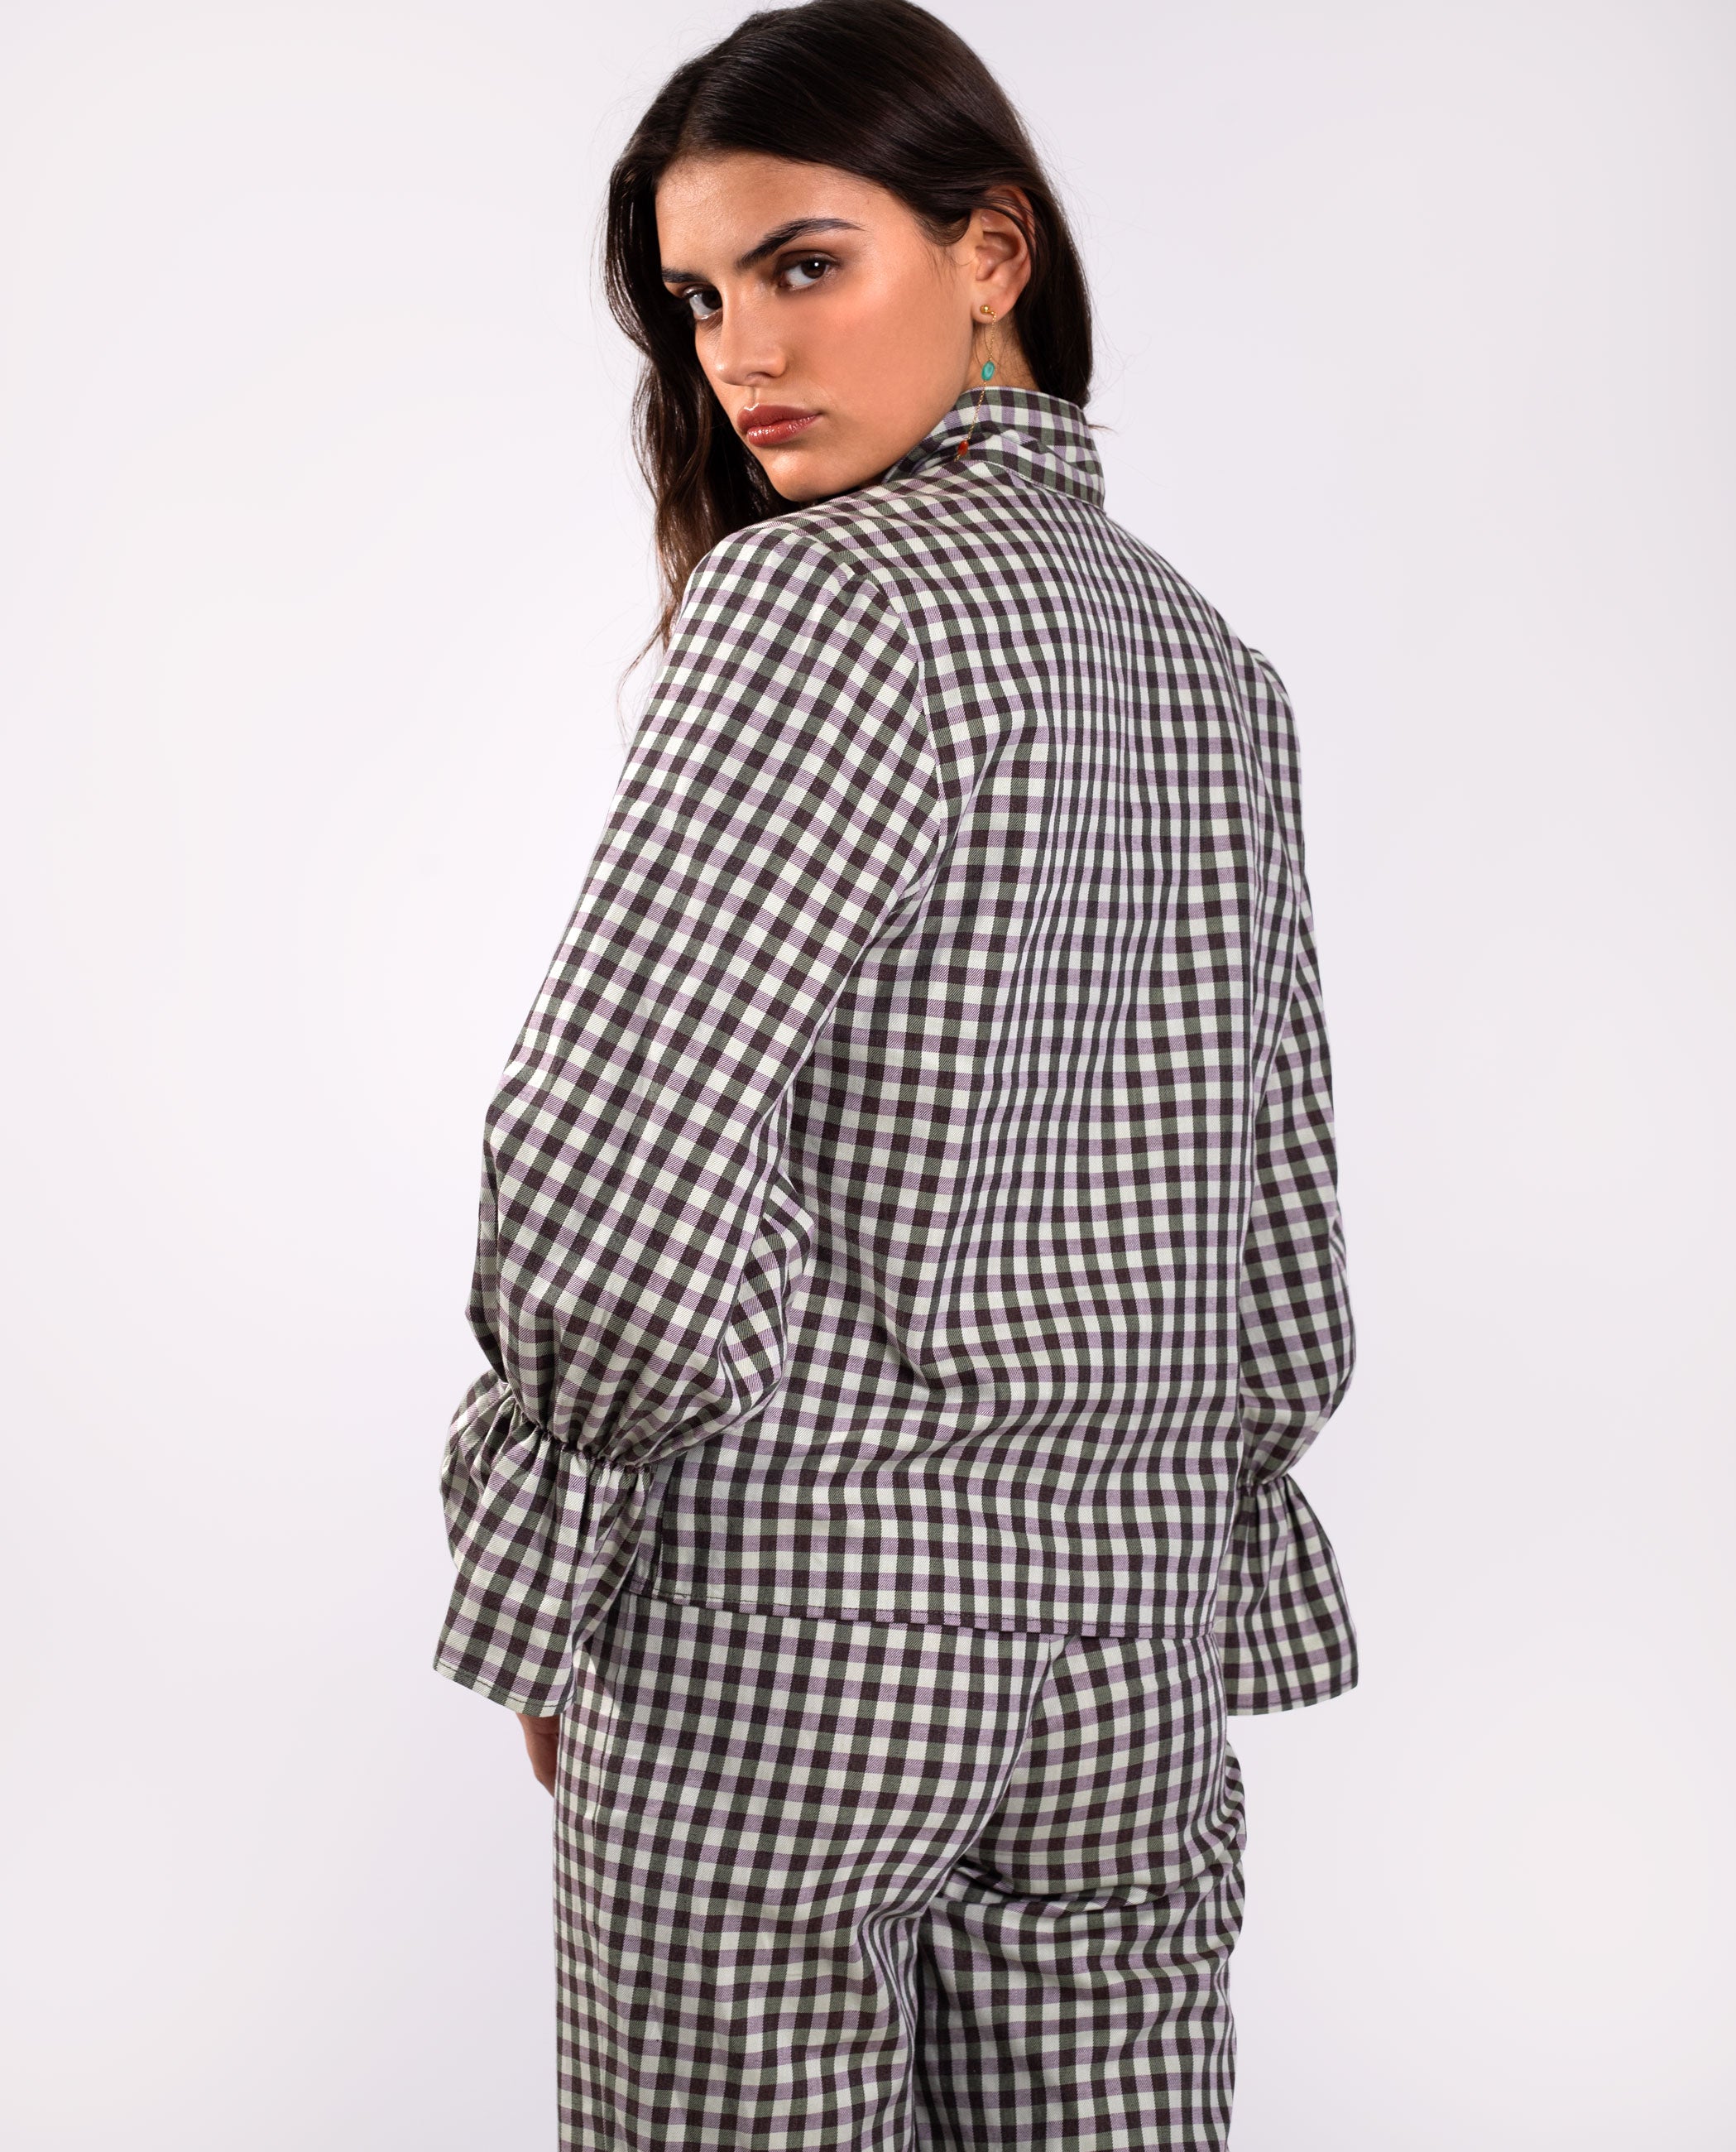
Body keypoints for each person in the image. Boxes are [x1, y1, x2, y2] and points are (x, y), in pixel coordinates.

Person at [433, 2, 1357, 2144]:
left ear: (991, 252)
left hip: (793, 1640)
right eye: (696, 300)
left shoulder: (817, 603)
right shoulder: (1214, 670)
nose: (740, 352)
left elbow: (617, 1138)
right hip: (1124, 1652)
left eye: (802, 264)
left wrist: (554, 1568)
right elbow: (1279, 1218)